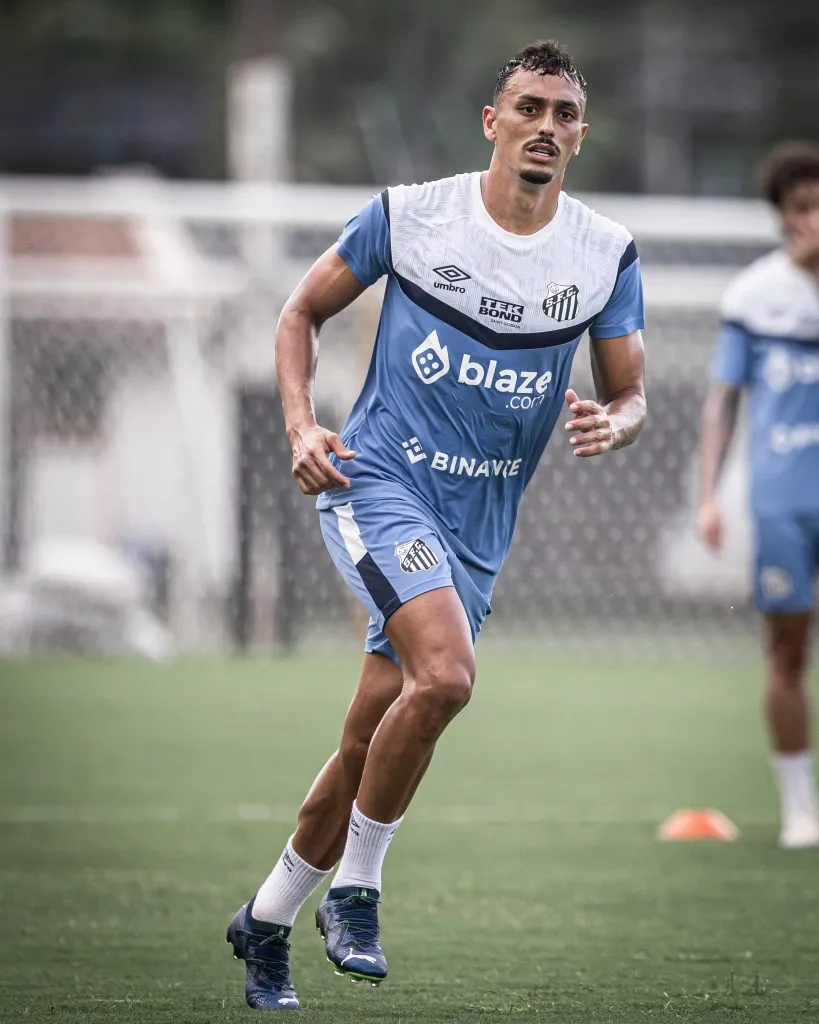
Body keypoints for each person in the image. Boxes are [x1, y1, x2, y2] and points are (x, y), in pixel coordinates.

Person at [227, 39, 647, 1010]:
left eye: (564, 114)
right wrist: (299, 423)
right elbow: (299, 313)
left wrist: (613, 423)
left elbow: (631, 395)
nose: (546, 126)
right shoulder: (410, 217)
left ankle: (266, 919)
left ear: (580, 137)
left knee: (368, 736)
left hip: (476, 527)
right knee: (448, 676)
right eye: (529, 107)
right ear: (491, 122)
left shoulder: (602, 254)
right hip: (377, 483)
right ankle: (358, 891)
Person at [698, 141, 819, 850]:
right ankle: (800, 809)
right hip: (780, 498)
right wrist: (709, 496)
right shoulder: (752, 295)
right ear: (779, 217)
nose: (814, 220)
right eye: (801, 208)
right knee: (785, 649)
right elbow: (723, 403)